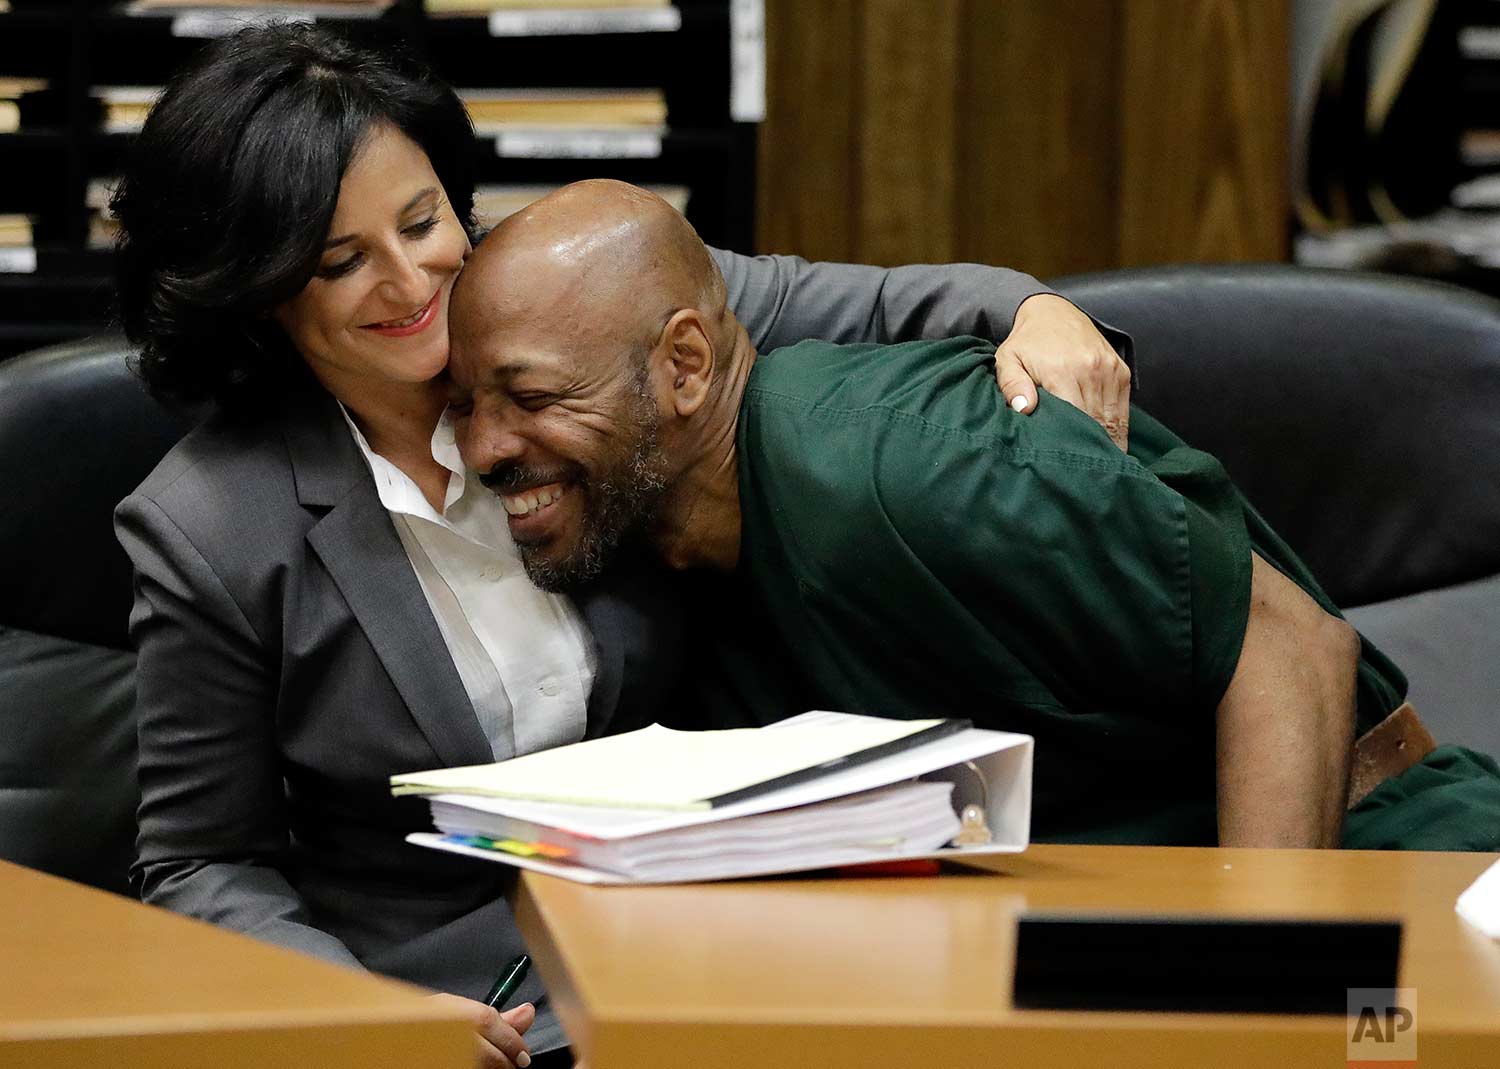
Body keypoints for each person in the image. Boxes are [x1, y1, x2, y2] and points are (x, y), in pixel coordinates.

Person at [109, 23, 1133, 1069]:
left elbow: (873, 300)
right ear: (261, 290)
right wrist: (358, 1014)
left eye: (423, 223)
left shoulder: (573, 299)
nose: (414, 281)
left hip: (715, 949)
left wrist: (1034, 306)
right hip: (461, 1019)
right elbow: (203, 863)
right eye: (341, 262)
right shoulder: (207, 526)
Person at [446, 180, 1500, 853]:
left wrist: (1261, 1008)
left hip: (1388, 870)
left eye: (531, 398)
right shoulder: (679, 545)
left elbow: (1293, 649)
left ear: (684, 366)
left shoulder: (892, 468)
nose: (486, 448)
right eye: (465, 406)